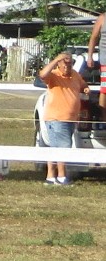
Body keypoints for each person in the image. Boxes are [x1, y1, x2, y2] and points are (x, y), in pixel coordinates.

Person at [38, 50, 89, 185]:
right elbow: (42, 74)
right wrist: (56, 59)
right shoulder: (53, 76)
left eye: (69, 64)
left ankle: (51, 177)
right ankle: (60, 177)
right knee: (62, 147)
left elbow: (82, 84)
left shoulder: (75, 75)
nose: (67, 67)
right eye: (64, 64)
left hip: (70, 119)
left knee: (57, 147)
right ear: (59, 64)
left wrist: (85, 89)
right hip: (56, 118)